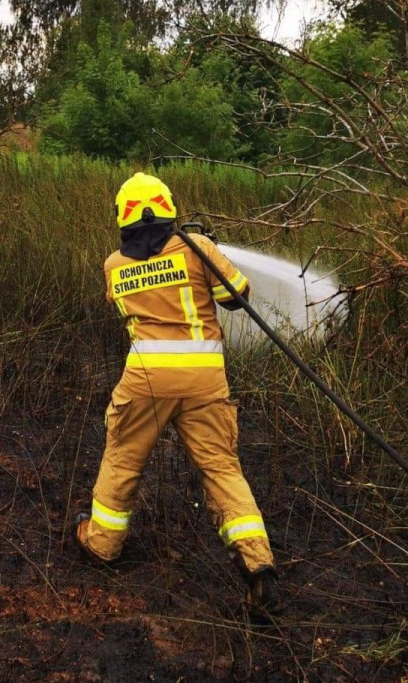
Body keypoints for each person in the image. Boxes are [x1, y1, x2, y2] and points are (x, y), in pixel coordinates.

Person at [73, 171, 280, 617]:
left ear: (123, 217)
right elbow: (236, 295)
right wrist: (206, 250)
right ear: (168, 209)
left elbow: (127, 305)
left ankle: (102, 543)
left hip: (146, 379)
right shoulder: (195, 248)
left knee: (123, 456)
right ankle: (256, 562)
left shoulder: (114, 265)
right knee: (222, 467)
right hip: (205, 379)